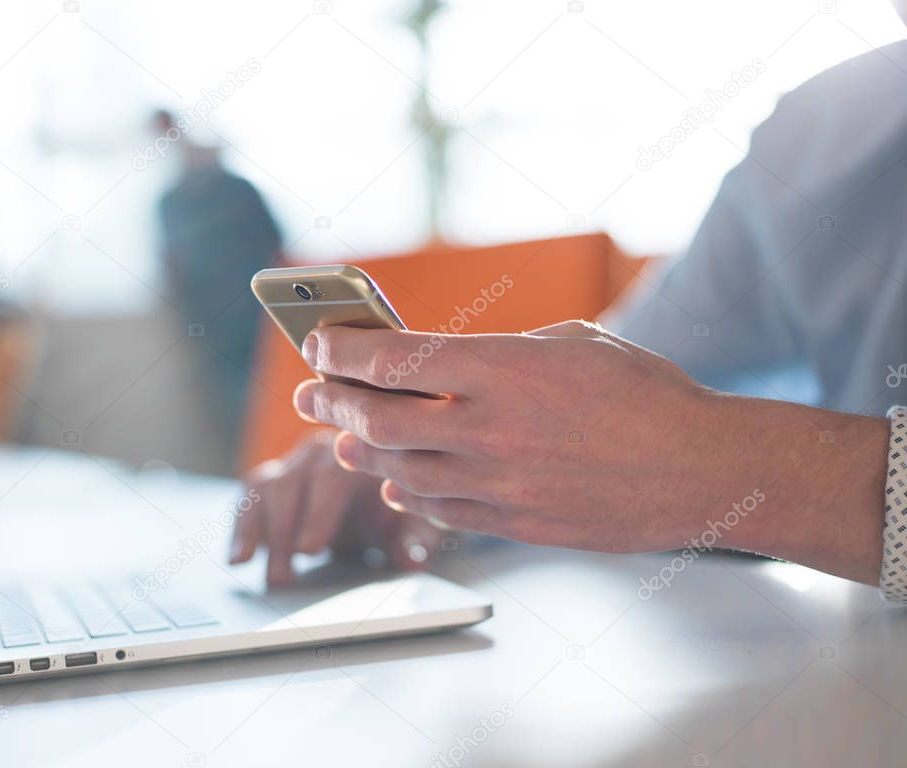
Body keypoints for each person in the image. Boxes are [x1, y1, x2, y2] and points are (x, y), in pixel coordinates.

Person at [230, 31, 907, 596]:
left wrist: (723, 465)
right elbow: (620, 419)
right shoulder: (824, 128)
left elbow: (673, 447)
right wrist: (429, 462)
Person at [155, 111, 282, 474]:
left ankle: (266, 480)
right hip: (208, 331)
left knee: (262, 412)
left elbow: (277, 250)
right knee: (224, 421)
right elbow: (172, 267)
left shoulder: (241, 191)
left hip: (255, 322)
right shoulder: (170, 202)